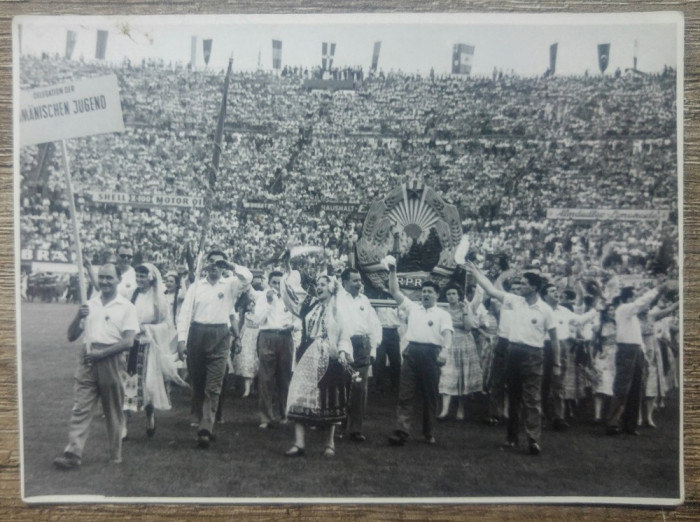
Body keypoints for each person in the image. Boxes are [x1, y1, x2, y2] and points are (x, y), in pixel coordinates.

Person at [465, 261, 559, 456]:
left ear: (534, 287)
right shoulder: (514, 301)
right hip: (513, 351)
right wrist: (476, 272)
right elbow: (490, 290)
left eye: (524, 284)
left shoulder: (546, 310)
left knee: (531, 399)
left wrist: (557, 363)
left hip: (534, 355)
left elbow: (555, 340)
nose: (521, 286)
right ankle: (511, 437)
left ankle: (533, 439)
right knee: (513, 398)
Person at [53, 264, 139, 470]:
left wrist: (102, 354)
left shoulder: (126, 307)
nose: (105, 282)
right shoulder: (89, 304)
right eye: (102, 278)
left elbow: (128, 342)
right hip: (87, 358)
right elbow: (71, 335)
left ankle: (115, 454)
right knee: (81, 407)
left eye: (109, 278)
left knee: (113, 410)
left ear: (118, 280)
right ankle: (73, 453)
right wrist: (78, 316)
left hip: (112, 359)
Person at [177, 250, 252, 448]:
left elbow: (248, 277)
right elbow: (185, 314)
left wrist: (231, 266)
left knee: (214, 383)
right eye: (212, 263)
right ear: (206, 265)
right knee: (199, 382)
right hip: (197, 334)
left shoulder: (230, 285)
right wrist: (181, 339)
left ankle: (205, 427)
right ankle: (201, 417)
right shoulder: (195, 287)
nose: (215, 267)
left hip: (220, 335)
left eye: (219, 264)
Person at [281, 270, 354, 458]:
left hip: (329, 356)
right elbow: (291, 303)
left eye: (323, 284)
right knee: (299, 394)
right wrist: (286, 275)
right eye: (318, 284)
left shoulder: (338, 309)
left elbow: (344, 335)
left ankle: (329, 444)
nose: (318, 287)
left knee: (329, 398)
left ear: (331, 288)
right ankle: (299, 444)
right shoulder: (311, 305)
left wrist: (343, 352)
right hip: (307, 354)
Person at [385, 259, 452, 447]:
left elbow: (447, 334)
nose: (426, 295)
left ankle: (429, 432)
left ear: (437, 295)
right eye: (423, 292)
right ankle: (401, 431)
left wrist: (444, 352)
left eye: (430, 292)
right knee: (405, 394)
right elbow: (395, 292)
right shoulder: (413, 308)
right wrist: (393, 271)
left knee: (430, 396)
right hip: (412, 353)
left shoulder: (443, 314)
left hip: (432, 354)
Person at [124, 263, 186, 438]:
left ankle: (149, 416)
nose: (140, 279)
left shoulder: (159, 298)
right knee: (128, 382)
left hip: (148, 345)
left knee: (147, 384)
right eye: (138, 276)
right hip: (132, 344)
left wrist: (148, 329)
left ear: (151, 277)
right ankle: (124, 425)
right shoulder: (132, 294)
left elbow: (167, 324)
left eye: (143, 276)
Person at [606, 281, 674, 436]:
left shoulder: (633, 315)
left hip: (636, 350)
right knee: (622, 388)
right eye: (634, 296)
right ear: (628, 298)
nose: (637, 299)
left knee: (637, 388)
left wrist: (642, 352)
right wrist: (658, 288)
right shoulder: (623, 309)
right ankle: (612, 423)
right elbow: (641, 303)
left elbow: (637, 336)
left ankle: (629, 425)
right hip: (626, 350)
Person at [337, 268, 382, 441]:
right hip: (344, 344)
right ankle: (340, 426)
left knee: (359, 388)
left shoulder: (365, 300)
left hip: (362, 346)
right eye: (355, 280)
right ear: (345, 282)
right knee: (342, 386)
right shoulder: (338, 299)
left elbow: (374, 327)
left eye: (360, 281)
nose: (359, 284)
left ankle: (356, 429)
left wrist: (373, 349)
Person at [253, 270, 295, 429]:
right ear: (269, 283)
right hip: (267, 336)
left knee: (285, 378)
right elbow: (258, 320)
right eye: (274, 283)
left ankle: (285, 414)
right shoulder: (263, 297)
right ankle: (265, 417)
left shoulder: (289, 296)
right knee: (266, 378)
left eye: (280, 283)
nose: (277, 286)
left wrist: (293, 326)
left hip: (285, 337)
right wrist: (270, 302)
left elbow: (297, 318)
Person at [437, 284, 482, 421]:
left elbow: (468, 327)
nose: (451, 296)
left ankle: (461, 409)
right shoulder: (443, 310)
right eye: (449, 294)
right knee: (447, 374)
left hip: (464, 343)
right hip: (449, 343)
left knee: (464, 375)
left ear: (459, 295)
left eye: (454, 294)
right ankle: (445, 410)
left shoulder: (465, 308)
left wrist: (464, 311)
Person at [233, 292, 260, 398]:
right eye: (250, 304)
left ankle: (254, 387)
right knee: (247, 362)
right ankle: (247, 389)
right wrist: (239, 339)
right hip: (247, 340)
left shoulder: (260, 316)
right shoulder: (245, 315)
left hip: (257, 338)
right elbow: (242, 328)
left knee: (256, 362)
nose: (252, 306)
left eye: (253, 304)